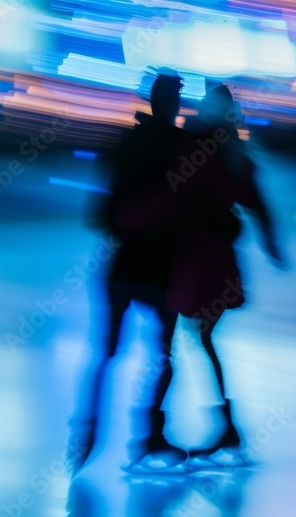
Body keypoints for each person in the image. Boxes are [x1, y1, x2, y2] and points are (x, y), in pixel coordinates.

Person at [116, 85, 285, 467]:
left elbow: (172, 199)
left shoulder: (196, 150)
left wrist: (128, 219)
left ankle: (159, 434)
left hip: (189, 260)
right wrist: (272, 243)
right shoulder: (236, 153)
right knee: (202, 342)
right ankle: (224, 430)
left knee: (173, 344)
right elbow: (256, 202)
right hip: (218, 262)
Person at [67, 72, 191, 474]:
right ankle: (149, 437)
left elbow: (98, 214)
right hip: (164, 266)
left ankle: (87, 432)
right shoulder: (184, 151)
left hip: (123, 263)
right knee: (162, 354)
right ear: (174, 104)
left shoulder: (124, 145)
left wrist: (130, 221)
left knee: (106, 351)